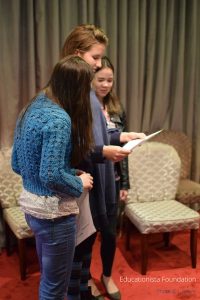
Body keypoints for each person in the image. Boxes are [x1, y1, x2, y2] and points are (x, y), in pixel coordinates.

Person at [61, 24, 145, 300]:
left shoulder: (91, 96)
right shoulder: (72, 96)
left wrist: (122, 135)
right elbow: (75, 146)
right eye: (95, 58)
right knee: (81, 250)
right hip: (87, 185)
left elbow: (100, 132)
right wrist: (105, 152)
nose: (99, 65)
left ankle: (89, 285)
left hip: (106, 182)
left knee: (94, 245)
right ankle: (83, 289)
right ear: (77, 54)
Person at [11, 55, 94, 300]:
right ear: (76, 88)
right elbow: (49, 174)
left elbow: (18, 164)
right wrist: (78, 182)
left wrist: (67, 172)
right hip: (54, 216)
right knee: (55, 288)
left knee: (49, 281)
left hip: (32, 209)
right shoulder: (59, 119)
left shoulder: (33, 105)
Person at [89, 56, 130, 299]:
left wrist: (125, 182)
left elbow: (125, 149)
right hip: (91, 180)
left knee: (110, 233)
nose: (105, 85)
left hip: (112, 181)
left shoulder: (116, 108)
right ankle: (85, 279)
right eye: (100, 79)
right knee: (87, 234)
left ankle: (106, 274)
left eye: (110, 80)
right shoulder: (83, 106)